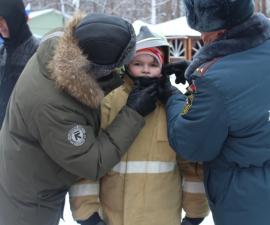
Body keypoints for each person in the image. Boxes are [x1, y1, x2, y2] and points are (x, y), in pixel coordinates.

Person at [161, 0, 270, 225]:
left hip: (250, 201)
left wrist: (173, 96)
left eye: (205, 32)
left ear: (222, 30)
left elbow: (191, 144)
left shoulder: (214, 83)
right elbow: (251, 86)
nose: (202, 38)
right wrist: (202, 70)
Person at [0, 13, 159, 225]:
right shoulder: (52, 106)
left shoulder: (62, 47)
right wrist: (133, 113)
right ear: (101, 68)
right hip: (28, 202)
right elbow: (93, 162)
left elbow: (87, 80)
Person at [69, 26, 209, 225]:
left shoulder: (173, 106)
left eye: (153, 63)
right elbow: (90, 160)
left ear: (164, 66)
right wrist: (87, 213)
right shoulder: (109, 103)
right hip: (115, 217)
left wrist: (195, 213)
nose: (145, 69)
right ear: (126, 65)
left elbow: (190, 164)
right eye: (138, 63)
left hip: (162, 217)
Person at [0, 0, 39, 128]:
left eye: (3, 19)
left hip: (25, 137)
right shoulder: (2, 52)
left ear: (15, 17)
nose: (0, 26)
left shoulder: (38, 52)